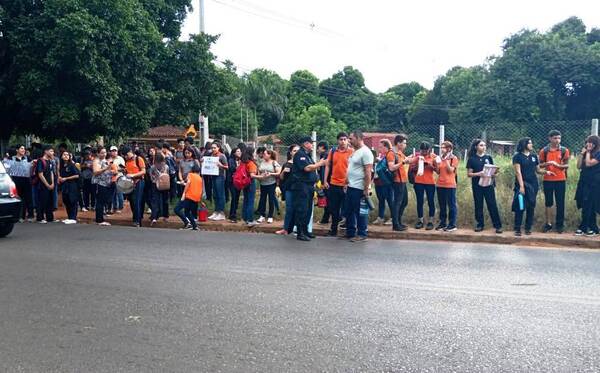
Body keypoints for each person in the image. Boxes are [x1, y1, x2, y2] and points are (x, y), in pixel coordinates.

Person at [512, 137, 554, 236]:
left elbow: (538, 170)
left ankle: (528, 228)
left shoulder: (534, 156)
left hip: (533, 186)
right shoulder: (517, 156)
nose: (532, 145)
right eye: (530, 143)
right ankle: (517, 229)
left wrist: (547, 172)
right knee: (520, 206)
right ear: (524, 144)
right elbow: (518, 172)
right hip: (522, 185)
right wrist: (521, 186)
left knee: (531, 206)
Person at [289, 137, 327, 241]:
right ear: (306, 144)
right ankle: (300, 233)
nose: (313, 145)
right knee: (302, 209)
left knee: (308, 210)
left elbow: (313, 167)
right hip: (301, 186)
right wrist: (320, 163)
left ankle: (306, 231)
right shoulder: (300, 155)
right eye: (311, 143)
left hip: (309, 186)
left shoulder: (307, 155)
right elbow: (307, 168)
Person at [342, 130, 374, 242]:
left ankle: (362, 234)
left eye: (351, 139)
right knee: (349, 210)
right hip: (351, 186)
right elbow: (351, 168)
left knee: (360, 211)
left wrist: (366, 188)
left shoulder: (366, 152)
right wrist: (346, 182)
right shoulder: (355, 151)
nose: (349, 141)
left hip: (359, 187)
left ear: (359, 138)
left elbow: (368, 171)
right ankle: (350, 232)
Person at [466, 139, 503, 234]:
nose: (484, 147)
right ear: (476, 147)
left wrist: (495, 173)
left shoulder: (488, 157)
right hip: (477, 186)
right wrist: (479, 174)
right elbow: (469, 174)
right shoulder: (472, 159)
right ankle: (480, 224)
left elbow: (493, 171)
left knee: (492, 204)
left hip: (488, 185)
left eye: (484, 145)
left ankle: (498, 226)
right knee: (478, 205)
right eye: (481, 145)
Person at [538, 130, 570, 234]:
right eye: (555, 138)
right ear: (550, 138)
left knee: (560, 202)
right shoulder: (544, 151)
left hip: (560, 180)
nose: (557, 140)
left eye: (559, 138)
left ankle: (559, 225)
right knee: (548, 202)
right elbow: (539, 165)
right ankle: (548, 224)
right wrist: (548, 163)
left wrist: (557, 165)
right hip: (548, 180)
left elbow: (566, 165)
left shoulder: (564, 150)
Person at [323, 132, 353, 236]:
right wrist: (325, 180)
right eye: (341, 139)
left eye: (345, 139)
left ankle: (349, 230)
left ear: (348, 140)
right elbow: (328, 165)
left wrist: (348, 182)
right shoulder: (333, 151)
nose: (343, 141)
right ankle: (333, 230)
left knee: (348, 208)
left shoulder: (351, 152)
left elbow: (353, 168)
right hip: (334, 183)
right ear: (337, 140)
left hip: (346, 185)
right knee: (333, 208)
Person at [574, 135, 600, 236]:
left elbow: (589, 164)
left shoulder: (598, 154)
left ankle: (593, 228)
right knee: (584, 204)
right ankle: (584, 226)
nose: (588, 144)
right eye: (587, 142)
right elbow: (579, 166)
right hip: (584, 181)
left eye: (591, 142)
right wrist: (582, 154)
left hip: (594, 183)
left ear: (596, 144)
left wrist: (588, 152)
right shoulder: (586, 153)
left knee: (591, 205)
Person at [388, 134, 411, 231]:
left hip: (403, 181)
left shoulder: (400, 153)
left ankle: (399, 221)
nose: (405, 145)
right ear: (398, 143)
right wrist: (403, 162)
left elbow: (407, 161)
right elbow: (391, 167)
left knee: (404, 201)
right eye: (404, 143)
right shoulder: (391, 153)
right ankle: (395, 224)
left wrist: (416, 158)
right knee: (397, 202)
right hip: (397, 181)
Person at [434, 141, 459, 232]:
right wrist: (436, 164)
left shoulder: (453, 158)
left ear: (449, 149)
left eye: (443, 147)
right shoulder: (440, 158)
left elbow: (451, 170)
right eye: (441, 147)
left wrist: (446, 161)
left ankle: (452, 224)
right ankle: (443, 222)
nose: (442, 149)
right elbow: (438, 171)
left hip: (450, 185)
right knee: (442, 205)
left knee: (451, 205)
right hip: (440, 184)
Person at [411, 142, 437, 230]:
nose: (424, 152)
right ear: (420, 150)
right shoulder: (417, 157)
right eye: (423, 150)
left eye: (426, 150)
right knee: (420, 201)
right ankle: (420, 220)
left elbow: (438, 170)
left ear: (429, 150)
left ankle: (431, 221)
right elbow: (411, 169)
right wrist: (418, 165)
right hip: (419, 181)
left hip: (430, 182)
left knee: (431, 201)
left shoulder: (433, 157)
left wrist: (431, 166)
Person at [276, 144, 300, 235]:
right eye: (294, 151)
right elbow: (281, 178)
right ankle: (286, 229)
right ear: (290, 153)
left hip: (299, 190)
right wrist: (283, 172)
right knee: (289, 209)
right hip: (289, 189)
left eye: (298, 151)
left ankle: (297, 229)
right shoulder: (287, 164)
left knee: (299, 209)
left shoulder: (302, 163)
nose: (296, 152)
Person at [373, 139, 396, 226]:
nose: (379, 149)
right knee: (381, 200)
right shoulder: (383, 156)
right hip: (378, 182)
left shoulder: (389, 154)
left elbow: (389, 167)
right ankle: (380, 217)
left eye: (381, 147)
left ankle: (393, 218)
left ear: (386, 147)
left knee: (390, 200)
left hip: (386, 182)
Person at [174, 164, 203, 231]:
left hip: (188, 196)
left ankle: (187, 223)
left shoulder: (190, 175)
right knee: (187, 212)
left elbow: (188, 183)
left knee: (177, 209)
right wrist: (201, 201)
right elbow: (199, 189)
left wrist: (184, 193)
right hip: (196, 198)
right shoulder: (200, 178)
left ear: (192, 170)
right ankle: (194, 226)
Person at [124, 146, 146, 227]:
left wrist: (133, 175)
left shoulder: (139, 159)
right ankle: (136, 217)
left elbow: (143, 171)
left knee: (137, 200)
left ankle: (137, 220)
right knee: (132, 201)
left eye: (126, 155)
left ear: (130, 152)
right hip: (130, 183)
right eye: (124, 155)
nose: (126, 157)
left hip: (139, 181)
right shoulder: (127, 162)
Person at [11, 145, 34, 222]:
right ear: (17, 150)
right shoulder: (12, 158)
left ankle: (31, 216)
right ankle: (20, 216)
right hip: (16, 181)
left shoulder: (28, 158)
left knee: (29, 198)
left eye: (24, 148)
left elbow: (32, 167)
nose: (23, 150)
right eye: (21, 148)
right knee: (19, 199)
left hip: (27, 181)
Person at [256, 149, 280, 224]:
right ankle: (262, 215)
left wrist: (270, 174)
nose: (263, 155)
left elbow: (279, 173)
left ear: (269, 155)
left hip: (271, 183)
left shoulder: (274, 162)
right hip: (263, 183)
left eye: (265, 154)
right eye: (263, 154)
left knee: (271, 199)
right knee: (262, 199)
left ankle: (270, 216)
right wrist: (260, 175)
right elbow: (259, 170)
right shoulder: (262, 162)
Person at [92, 147, 114, 226]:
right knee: (100, 201)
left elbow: (107, 171)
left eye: (105, 152)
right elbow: (96, 172)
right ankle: (99, 220)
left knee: (104, 200)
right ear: (98, 153)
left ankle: (101, 218)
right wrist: (106, 168)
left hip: (106, 183)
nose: (104, 154)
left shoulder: (105, 161)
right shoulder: (96, 161)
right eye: (102, 153)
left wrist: (112, 171)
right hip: (99, 183)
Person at [208, 142, 228, 221]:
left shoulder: (222, 156)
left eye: (214, 148)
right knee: (215, 194)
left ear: (218, 148)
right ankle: (216, 211)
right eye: (212, 148)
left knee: (220, 195)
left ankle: (221, 213)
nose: (213, 149)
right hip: (213, 176)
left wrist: (221, 165)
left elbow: (227, 167)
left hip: (220, 177)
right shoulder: (211, 156)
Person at [35, 145, 56, 223]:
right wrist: (47, 184)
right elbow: (40, 174)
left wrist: (52, 183)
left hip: (50, 184)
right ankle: (40, 218)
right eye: (51, 151)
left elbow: (51, 172)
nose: (52, 153)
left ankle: (49, 217)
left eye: (53, 151)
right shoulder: (40, 161)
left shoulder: (50, 161)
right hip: (42, 185)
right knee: (42, 201)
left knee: (50, 201)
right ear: (46, 151)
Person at [58, 151, 80, 224]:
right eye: (64, 154)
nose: (66, 156)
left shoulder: (72, 165)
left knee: (72, 201)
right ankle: (69, 217)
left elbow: (77, 175)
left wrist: (66, 178)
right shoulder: (61, 166)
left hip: (72, 185)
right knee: (66, 200)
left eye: (67, 155)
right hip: (64, 186)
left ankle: (73, 218)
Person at [148, 152, 170, 225]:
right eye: (157, 162)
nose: (159, 164)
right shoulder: (152, 167)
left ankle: (165, 215)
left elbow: (167, 175)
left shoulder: (166, 167)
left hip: (164, 185)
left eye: (161, 162)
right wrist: (155, 178)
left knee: (165, 201)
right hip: (155, 185)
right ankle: (154, 217)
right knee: (155, 201)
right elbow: (151, 177)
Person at [241, 147, 260, 227]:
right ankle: (250, 220)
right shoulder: (251, 163)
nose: (255, 154)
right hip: (250, 183)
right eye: (254, 152)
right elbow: (252, 175)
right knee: (250, 201)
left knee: (246, 200)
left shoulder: (243, 162)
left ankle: (245, 218)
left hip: (244, 182)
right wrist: (262, 177)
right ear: (251, 153)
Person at [316, 141, 330, 225]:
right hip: (328, 181)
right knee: (328, 200)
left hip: (326, 182)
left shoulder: (324, 155)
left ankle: (325, 219)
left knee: (327, 201)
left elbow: (324, 170)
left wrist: (323, 182)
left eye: (318, 148)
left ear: (322, 147)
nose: (317, 150)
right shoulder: (328, 154)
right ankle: (326, 218)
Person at [227, 147, 243, 223]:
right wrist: (239, 166)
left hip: (239, 181)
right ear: (234, 153)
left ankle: (233, 213)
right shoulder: (231, 160)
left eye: (240, 151)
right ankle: (232, 215)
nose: (239, 152)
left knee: (237, 197)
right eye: (237, 151)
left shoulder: (241, 160)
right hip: (232, 182)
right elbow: (233, 168)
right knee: (234, 197)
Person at [110, 146, 125, 214]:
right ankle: (115, 207)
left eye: (115, 151)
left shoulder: (120, 159)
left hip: (119, 177)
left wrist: (116, 169)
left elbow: (123, 169)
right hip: (111, 178)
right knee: (113, 193)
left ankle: (120, 207)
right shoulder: (109, 159)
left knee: (119, 193)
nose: (114, 152)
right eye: (112, 151)